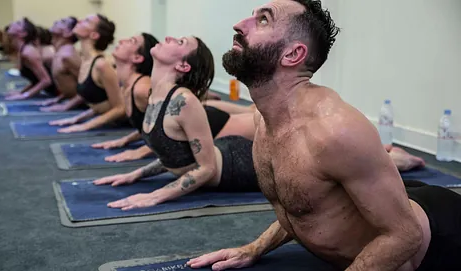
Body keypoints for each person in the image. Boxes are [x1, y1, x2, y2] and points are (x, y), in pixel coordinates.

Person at [187, 1, 461, 271]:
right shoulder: (263, 119)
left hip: (443, 236)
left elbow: (406, 236)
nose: (239, 25)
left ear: (293, 54)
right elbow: (303, 207)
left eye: (263, 20)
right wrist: (254, 248)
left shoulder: (334, 130)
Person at [93, 35, 259, 210]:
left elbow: (207, 168)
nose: (168, 37)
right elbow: (175, 155)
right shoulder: (155, 97)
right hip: (225, 150)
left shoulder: (184, 101)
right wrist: (136, 174)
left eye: (180, 42)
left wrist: (155, 196)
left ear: (183, 65)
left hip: (243, 165)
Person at [49, 14, 126, 133]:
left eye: (86, 21)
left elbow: (120, 108)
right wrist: (76, 119)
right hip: (108, 122)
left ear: (94, 35)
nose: (79, 21)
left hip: (124, 125)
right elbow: (101, 104)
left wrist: (84, 126)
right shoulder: (85, 60)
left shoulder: (101, 64)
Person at [38, 17, 84, 112]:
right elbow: (71, 85)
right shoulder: (60, 52)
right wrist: (58, 99)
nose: (56, 21)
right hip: (74, 103)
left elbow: (89, 87)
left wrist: (66, 106)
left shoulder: (68, 55)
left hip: (85, 106)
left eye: (62, 22)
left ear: (69, 33)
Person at [4, 18, 57, 100]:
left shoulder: (28, 52)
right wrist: (22, 92)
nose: (12, 23)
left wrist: (25, 95)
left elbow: (46, 80)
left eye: (18, 23)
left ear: (23, 33)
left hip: (57, 92)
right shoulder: (23, 50)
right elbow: (36, 80)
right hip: (51, 90)